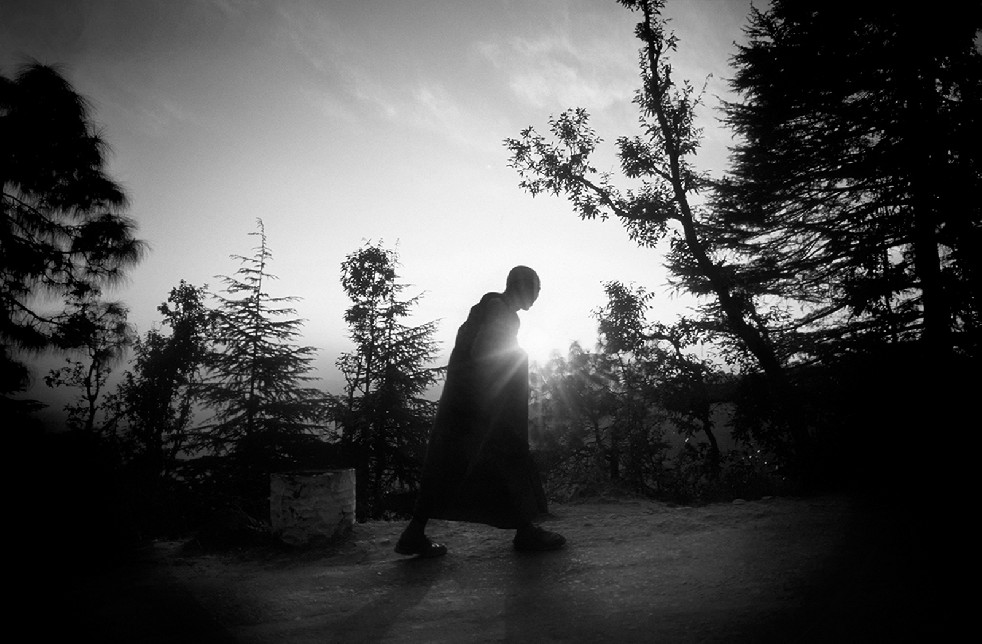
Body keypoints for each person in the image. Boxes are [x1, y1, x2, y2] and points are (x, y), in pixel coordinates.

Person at [395, 266, 566, 557]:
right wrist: (498, 392)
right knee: (510, 459)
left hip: (460, 405)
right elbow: (483, 352)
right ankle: (526, 533)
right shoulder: (502, 312)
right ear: (523, 287)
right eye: (537, 290)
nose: (537, 297)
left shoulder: (487, 307)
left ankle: (414, 532)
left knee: (447, 464)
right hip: (484, 408)